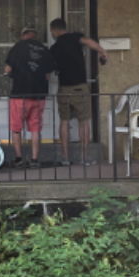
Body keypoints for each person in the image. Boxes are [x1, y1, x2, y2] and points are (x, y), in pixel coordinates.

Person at [49, 18, 107, 166]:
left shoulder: (54, 48)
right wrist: (102, 50)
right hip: (80, 87)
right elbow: (88, 41)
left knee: (64, 121)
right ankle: (84, 157)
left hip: (63, 88)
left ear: (54, 31)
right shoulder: (75, 37)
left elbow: (49, 70)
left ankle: (65, 157)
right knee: (83, 121)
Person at [4, 26, 56, 168]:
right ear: (35, 36)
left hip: (19, 95)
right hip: (38, 96)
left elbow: (8, 69)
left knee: (16, 128)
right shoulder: (44, 49)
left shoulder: (18, 47)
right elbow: (47, 75)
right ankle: (34, 160)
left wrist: (12, 74)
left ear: (23, 35)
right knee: (35, 129)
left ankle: (19, 159)